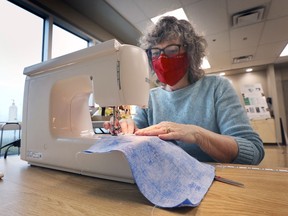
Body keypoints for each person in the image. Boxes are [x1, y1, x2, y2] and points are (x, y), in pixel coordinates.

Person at [104, 16, 264, 165]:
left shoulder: (217, 87)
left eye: (172, 50)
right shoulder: (149, 98)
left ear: (190, 53)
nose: (162, 58)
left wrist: (197, 134)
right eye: (155, 53)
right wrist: (127, 129)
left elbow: (253, 150)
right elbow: (138, 137)